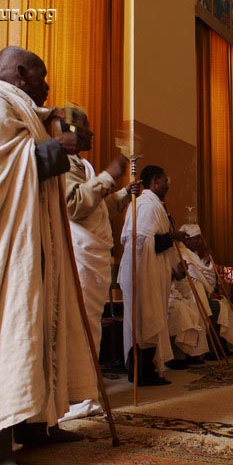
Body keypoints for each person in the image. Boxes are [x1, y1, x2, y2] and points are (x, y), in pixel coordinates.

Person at [0, 46, 97, 465]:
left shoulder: (21, 110)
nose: (48, 84)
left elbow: (30, 155)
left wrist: (64, 138)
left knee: (34, 332)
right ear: (23, 74)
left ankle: (36, 424)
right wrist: (56, 147)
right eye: (43, 76)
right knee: (1, 338)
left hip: (30, 247)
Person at [62, 119, 140, 421]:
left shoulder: (83, 165)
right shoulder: (64, 164)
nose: (92, 133)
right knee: (78, 324)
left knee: (89, 325)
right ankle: (74, 395)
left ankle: (85, 389)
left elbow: (98, 209)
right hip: (78, 253)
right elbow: (75, 205)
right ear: (67, 131)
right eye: (84, 128)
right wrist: (109, 176)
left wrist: (121, 194)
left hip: (93, 255)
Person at [118, 165, 187, 386]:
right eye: (166, 180)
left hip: (149, 270)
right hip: (142, 272)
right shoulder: (146, 205)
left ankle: (145, 370)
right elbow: (146, 242)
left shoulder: (147, 203)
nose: (168, 185)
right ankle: (141, 372)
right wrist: (173, 236)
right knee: (143, 320)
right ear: (156, 180)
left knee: (145, 320)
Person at [178, 223, 233, 356]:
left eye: (199, 238)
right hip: (192, 294)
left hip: (205, 292)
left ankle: (220, 345)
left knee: (226, 305)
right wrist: (208, 294)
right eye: (195, 239)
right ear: (186, 241)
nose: (198, 242)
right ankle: (210, 347)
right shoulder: (183, 254)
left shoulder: (200, 254)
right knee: (214, 308)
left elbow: (209, 277)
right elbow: (190, 281)